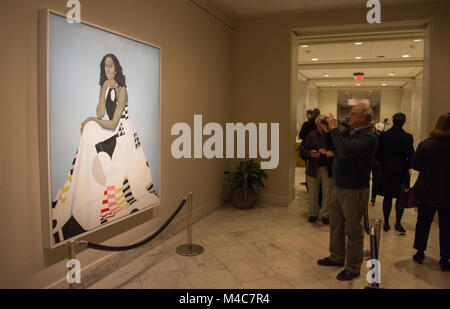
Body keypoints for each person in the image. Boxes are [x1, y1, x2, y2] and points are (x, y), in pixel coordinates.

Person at [51, 54, 159, 244]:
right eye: (105, 66)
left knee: (91, 126)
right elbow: (100, 112)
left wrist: (90, 120)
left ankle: (100, 191)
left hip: (123, 134)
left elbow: (114, 123)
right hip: (111, 129)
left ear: (117, 69)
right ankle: (84, 183)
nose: (108, 69)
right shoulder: (105, 86)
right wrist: (102, 92)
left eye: (111, 66)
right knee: (91, 129)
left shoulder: (123, 90)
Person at [317, 103, 377, 281]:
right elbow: (330, 145)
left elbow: (345, 150)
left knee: (352, 229)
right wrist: (327, 130)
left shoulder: (368, 137)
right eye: (349, 113)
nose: (348, 116)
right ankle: (336, 257)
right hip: (339, 184)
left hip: (355, 189)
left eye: (353, 114)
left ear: (364, 119)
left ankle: (353, 267)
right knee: (336, 223)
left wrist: (335, 129)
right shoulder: (348, 132)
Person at [411, 112, 450, 272]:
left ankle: (420, 252)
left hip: (427, 189)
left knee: (423, 222)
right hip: (448, 190)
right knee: (447, 226)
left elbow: (416, 165)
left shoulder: (427, 144)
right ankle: (445, 258)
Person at [376, 113, 414, 234]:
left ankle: (386, 222)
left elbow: (378, 153)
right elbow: (411, 156)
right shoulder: (408, 137)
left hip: (387, 169)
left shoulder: (385, 135)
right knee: (400, 197)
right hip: (401, 170)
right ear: (404, 122)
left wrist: (384, 162)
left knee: (387, 197)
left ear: (392, 121)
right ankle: (398, 222)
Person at [301, 116, 334, 224]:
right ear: (316, 125)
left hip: (328, 168)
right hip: (313, 168)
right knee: (312, 193)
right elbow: (303, 151)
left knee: (327, 193)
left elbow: (337, 150)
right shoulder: (311, 135)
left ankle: (325, 214)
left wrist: (330, 154)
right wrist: (310, 154)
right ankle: (313, 213)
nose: (323, 127)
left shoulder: (332, 135)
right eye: (320, 125)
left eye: (324, 124)